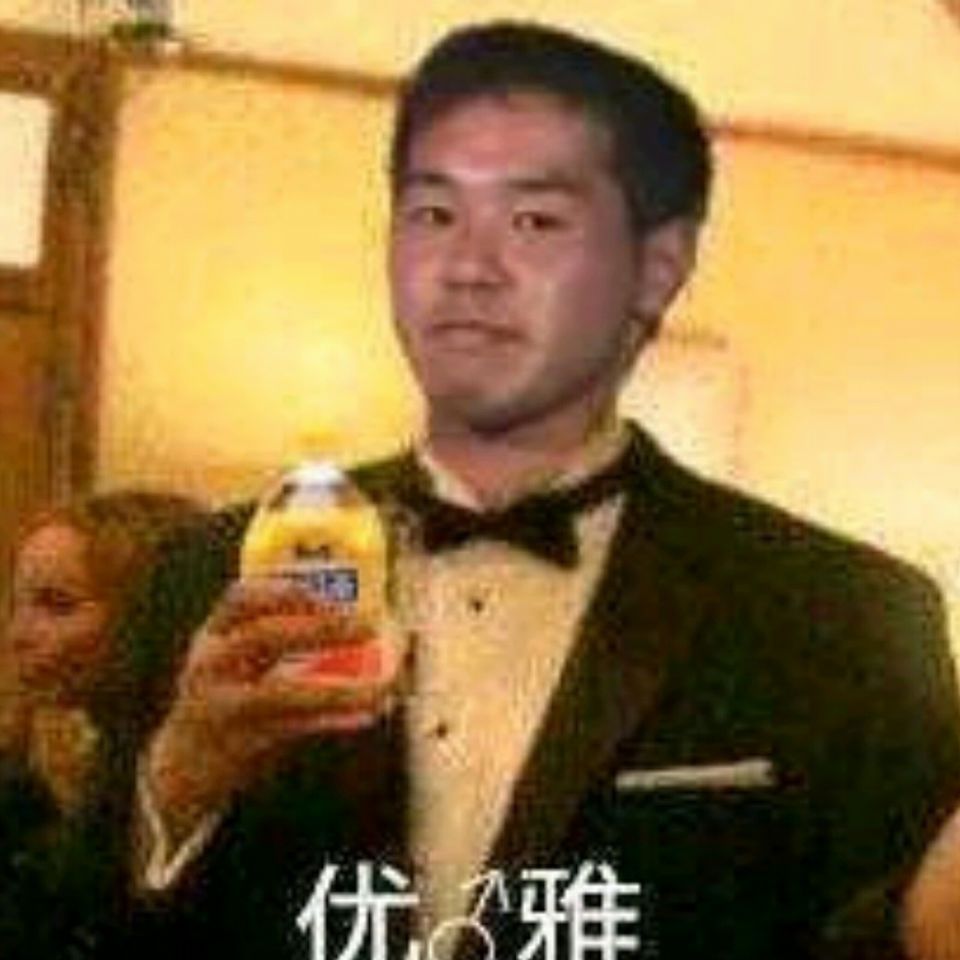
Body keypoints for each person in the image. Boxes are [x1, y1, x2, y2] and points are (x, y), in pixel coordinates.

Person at [105, 21, 960, 960]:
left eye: (537, 222)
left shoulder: (846, 619)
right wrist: (174, 790)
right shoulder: (208, 580)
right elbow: (55, 926)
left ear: (657, 269)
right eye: (433, 214)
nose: (466, 268)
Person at [0, 491, 206, 957]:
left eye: (56, 605)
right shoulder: (27, 784)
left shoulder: (202, 781)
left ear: (153, 611)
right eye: (17, 605)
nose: (18, 636)